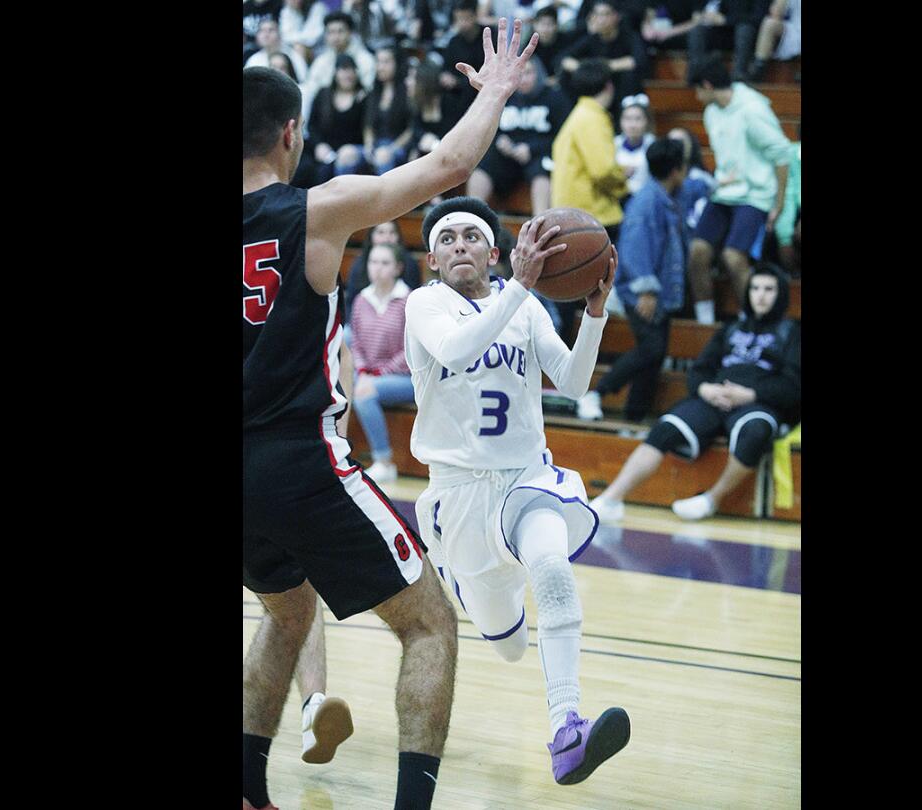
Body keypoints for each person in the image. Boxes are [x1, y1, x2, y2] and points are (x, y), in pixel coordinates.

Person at [241, 19, 540, 809]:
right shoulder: (314, 210)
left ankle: (245, 788)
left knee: (289, 607)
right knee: (430, 624)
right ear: (292, 133)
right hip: (297, 459)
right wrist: (498, 90)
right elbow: (450, 164)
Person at [404, 195, 631, 785]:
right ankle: (463, 578)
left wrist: (595, 313)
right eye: (447, 238)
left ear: (495, 253)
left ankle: (566, 729)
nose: (459, 245)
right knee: (505, 642)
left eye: (471, 237)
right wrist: (521, 289)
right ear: (431, 259)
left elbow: (576, 383)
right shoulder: (424, 304)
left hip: (526, 480)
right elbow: (459, 348)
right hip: (459, 499)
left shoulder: (524, 308)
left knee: (553, 569)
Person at [590, 263, 800, 522]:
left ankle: (712, 499)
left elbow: (793, 387)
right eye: (755, 288)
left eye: (769, 289)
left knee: (755, 432)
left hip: (757, 403)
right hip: (715, 398)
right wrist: (705, 388)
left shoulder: (793, 332)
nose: (761, 295)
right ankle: (611, 499)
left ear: (781, 294)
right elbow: (700, 369)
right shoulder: (732, 328)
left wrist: (750, 395)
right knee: (664, 428)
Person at [577, 139, 688, 422]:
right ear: (676, 170)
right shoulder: (647, 202)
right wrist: (646, 291)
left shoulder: (662, 198)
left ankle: (633, 419)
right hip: (642, 292)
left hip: (658, 293)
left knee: (654, 357)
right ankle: (596, 394)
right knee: (651, 349)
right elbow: (635, 248)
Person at [684, 53, 790, 324]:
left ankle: (753, 323)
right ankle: (705, 324)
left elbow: (782, 155)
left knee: (733, 258)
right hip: (725, 193)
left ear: (707, 86)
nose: (696, 96)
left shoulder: (752, 110)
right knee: (697, 252)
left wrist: (778, 204)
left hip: (755, 195)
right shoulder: (712, 112)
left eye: (697, 89)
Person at [550, 57, 627, 337]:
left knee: (570, 295)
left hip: (572, 213)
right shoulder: (593, 118)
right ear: (609, 85)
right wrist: (623, 183)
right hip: (593, 217)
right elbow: (603, 170)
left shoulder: (577, 114)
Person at [466, 55, 572, 215]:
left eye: (529, 73)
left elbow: (564, 136)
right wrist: (499, 140)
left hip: (538, 154)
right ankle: (471, 215)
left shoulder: (554, 97)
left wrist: (532, 148)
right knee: (483, 167)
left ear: (539, 74)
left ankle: (540, 222)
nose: (523, 79)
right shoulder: (504, 96)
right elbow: (485, 126)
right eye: (519, 74)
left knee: (542, 170)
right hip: (506, 154)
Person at [350, 243, 417, 483]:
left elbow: (410, 351)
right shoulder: (361, 299)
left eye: (385, 263)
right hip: (367, 374)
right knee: (339, 386)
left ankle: (384, 462)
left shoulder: (409, 300)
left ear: (398, 268)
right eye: (373, 262)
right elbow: (355, 344)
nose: (377, 268)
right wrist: (361, 369)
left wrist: (377, 373)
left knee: (364, 392)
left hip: (405, 377)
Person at [557, 0, 647, 119]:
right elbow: (564, 59)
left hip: (618, 84)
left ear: (616, 16)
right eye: (597, 14)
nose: (601, 19)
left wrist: (604, 66)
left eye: (605, 14)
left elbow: (637, 60)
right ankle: (570, 117)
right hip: (595, 83)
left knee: (628, 76)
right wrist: (587, 69)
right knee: (566, 76)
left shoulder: (629, 36)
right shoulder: (591, 38)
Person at [306, 54, 369, 182]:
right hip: (324, 150)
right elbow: (311, 126)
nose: (348, 75)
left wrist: (362, 103)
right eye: (343, 70)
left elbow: (366, 130)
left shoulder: (363, 98)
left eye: (351, 70)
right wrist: (318, 145)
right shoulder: (323, 94)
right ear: (335, 73)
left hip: (351, 151)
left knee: (339, 163)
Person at [364, 47, 415, 175]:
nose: (380, 67)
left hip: (399, 146)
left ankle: (382, 195)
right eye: (378, 62)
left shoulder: (407, 91)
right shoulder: (373, 92)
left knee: (383, 155)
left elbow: (412, 128)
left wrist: (392, 149)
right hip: (376, 144)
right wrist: (368, 145)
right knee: (346, 153)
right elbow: (368, 124)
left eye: (386, 62)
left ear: (397, 63)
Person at [613, 92, 655, 197]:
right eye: (627, 119)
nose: (632, 125)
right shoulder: (613, 144)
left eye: (638, 119)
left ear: (647, 121)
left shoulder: (653, 145)